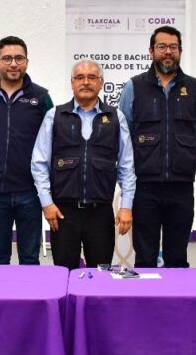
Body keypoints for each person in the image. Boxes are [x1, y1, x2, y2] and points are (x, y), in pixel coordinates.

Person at [30, 59, 135, 269]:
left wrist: (126, 207)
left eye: (92, 77)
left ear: (101, 83)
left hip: (100, 212)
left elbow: (126, 166)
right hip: (63, 213)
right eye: (80, 78)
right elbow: (39, 163)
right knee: (64, 273)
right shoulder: (55, 116)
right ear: (72, 83)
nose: (86, 82)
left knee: (101, 273)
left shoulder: (116, 117)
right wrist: (47, 203)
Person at [119, 26, 196, 268]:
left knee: (177, 258)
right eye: (162, 47)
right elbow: (125, 137)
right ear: (151, 51)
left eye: (173, 47)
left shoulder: (195, 88)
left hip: (181, 187)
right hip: (145, 187)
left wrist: (180, 159)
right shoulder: (133, 87)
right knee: (145, 257)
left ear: (180, 51)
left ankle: (175, 294)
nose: (168, 52)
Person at [0, 37, 53, 265]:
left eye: (19, 58)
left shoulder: (41, 97)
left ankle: (30, 291)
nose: (13, 64)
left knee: (30, 258)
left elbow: (54, 139)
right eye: (7, 58)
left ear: (27, 62)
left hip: (30, 191)